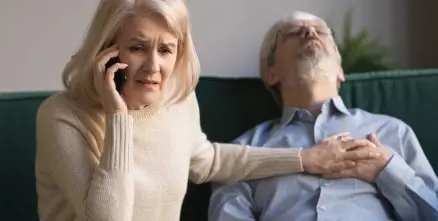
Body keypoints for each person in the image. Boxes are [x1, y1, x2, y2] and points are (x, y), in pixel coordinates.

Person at [34, 1, 380, 220]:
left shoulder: (177, 100)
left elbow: (208, 161)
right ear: (107, 49)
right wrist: (119, 117)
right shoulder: (61, 116)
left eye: (167, 50)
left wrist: (305, 158)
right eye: (138, 48)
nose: (154, 66)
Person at [208, 11, 438, 221]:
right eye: (293, 32)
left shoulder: (392, 132)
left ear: (340, 71)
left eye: (321, 31)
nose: (310, 32)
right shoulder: (242, 153)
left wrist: (388, 170)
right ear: (272, 73)